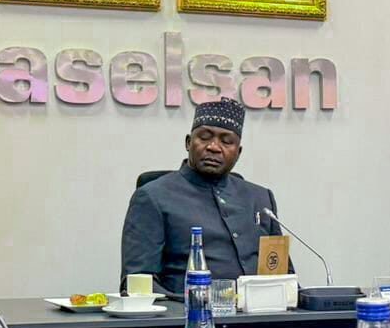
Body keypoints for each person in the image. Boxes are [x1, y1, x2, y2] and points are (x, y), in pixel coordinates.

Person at [120, 97, 284, 297]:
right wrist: (199, 304)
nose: (214, 147)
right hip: (186, 313)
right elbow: (137, 283)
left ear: (238, 152)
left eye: (226, 141)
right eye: (205, 137)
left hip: (260, 313)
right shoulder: (153, 197)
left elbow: (281, 272)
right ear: (188, 143)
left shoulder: (260, 198)